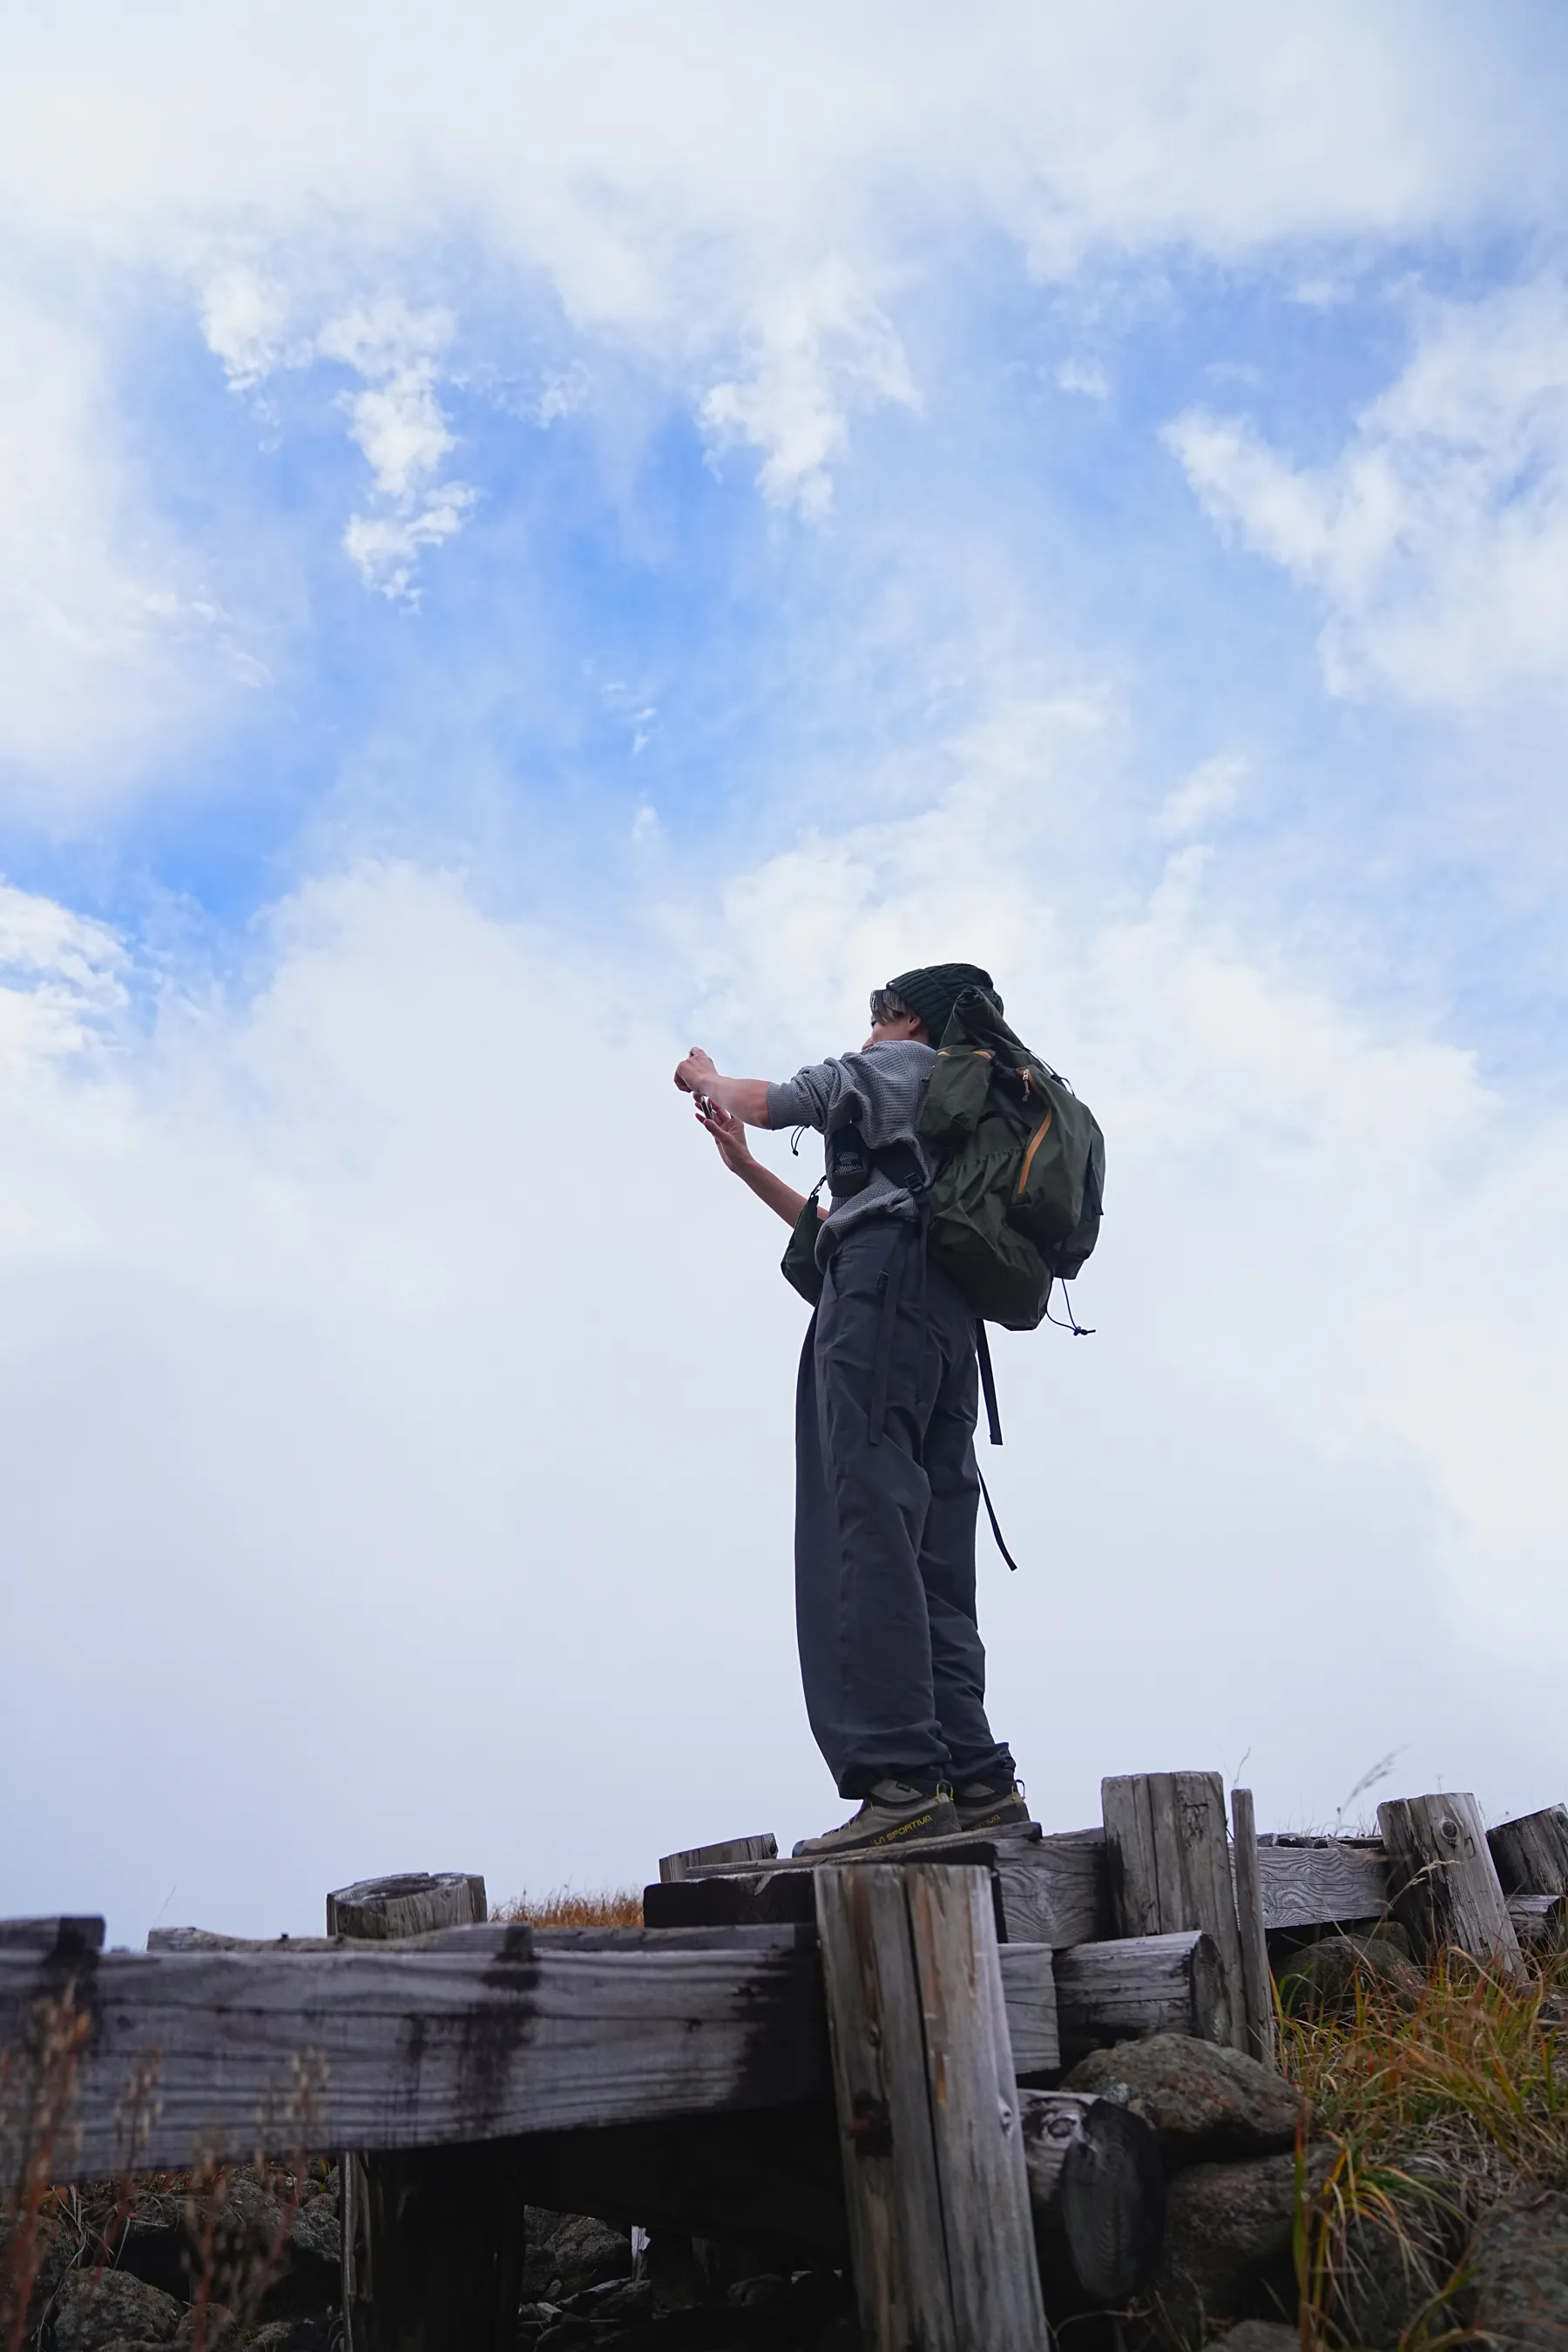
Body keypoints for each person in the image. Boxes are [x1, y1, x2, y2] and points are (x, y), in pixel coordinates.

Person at [673, 963, 1027, 1856]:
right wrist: (746, 1168)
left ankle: (900, 1780)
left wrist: (709, 1079)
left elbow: (796, 1095)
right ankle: (978, 1782)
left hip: (878, 1309)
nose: (867, 1030)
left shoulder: (903, 1066)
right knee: (933, 1554)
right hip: (944, 1325)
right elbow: (849, 1221)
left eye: (878, 1015)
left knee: (862, 1527)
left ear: (906, 1017)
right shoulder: (967, 1106)